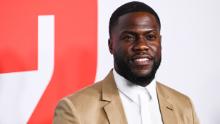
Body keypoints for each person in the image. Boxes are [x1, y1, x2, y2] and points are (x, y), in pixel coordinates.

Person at [53, 1, 199, 124]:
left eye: (150, 36)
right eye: (129, 37)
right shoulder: (75, 110)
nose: (141, 45)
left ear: (160, 42)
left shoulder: (184, 106)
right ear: (111, 45)